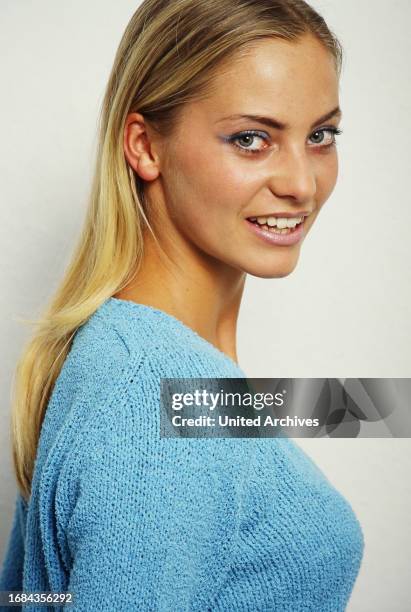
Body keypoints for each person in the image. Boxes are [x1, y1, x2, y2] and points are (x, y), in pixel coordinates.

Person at [0, 1, 364, 610]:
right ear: (144, 146)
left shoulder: (136, 363)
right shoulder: (159, 399)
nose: (302, 183)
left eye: (320, 135)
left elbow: (29, 600)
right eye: (252, 139)